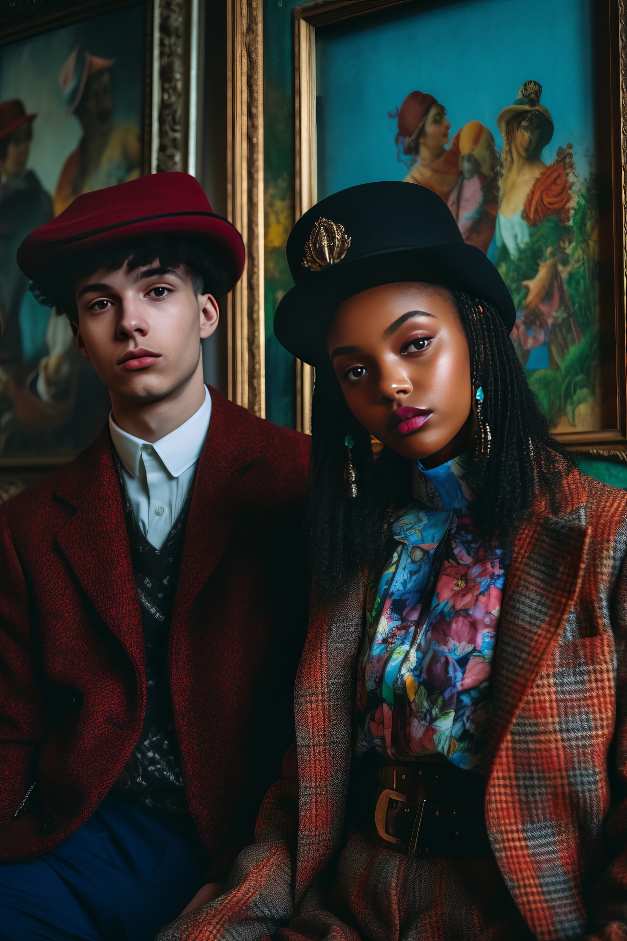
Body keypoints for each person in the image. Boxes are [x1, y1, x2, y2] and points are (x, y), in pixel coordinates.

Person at [158, 182, 627, 941]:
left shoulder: (604, 537)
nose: (390, 385)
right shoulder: (358, 544)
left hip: (516, 913)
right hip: (345, 905)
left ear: (475, 331)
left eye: (414, 344)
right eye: (354, 369)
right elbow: (301, 792)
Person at [0, 171, 310, 940]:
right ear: (78, 333)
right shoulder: (28, 524)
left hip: (255, 840)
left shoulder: (301, 480)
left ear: (205, 312)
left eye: (157, 291)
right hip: (83, 836)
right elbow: (10, 724)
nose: (130, 322)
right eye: (101, 303)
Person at [495, 80, 579, 372]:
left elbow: (554, 246)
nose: (530, 136)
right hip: (512, 292)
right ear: (513, 128)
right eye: (525, 127)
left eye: (537, 129)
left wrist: (536, 287)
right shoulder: (505, 185)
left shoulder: (548, 180)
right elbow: (504, 252)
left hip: (543, 294)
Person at [53, 47, 141, 215]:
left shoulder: (124, 138)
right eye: (95, 94)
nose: (106, 104)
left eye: (106, 91)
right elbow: (60, 212)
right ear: (80, 111)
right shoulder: (73, 165)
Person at [0, 99, 52, 367]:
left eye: (26, 140)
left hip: (22, 318)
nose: (23, 149)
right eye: (16, 142)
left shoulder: (38, 200)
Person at [395, 90, 460, 202]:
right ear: (418, 136)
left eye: (444, 116)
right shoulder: (414, 183)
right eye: (437, 120)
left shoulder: (461, 158)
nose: (448, 124)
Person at [447, 120, 498, 253]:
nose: (466, 165)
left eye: (470, 160)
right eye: (463, 160)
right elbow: (452, 206)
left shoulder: (479, 183)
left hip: (473, 242)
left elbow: (471, 213)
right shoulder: (460, 183)